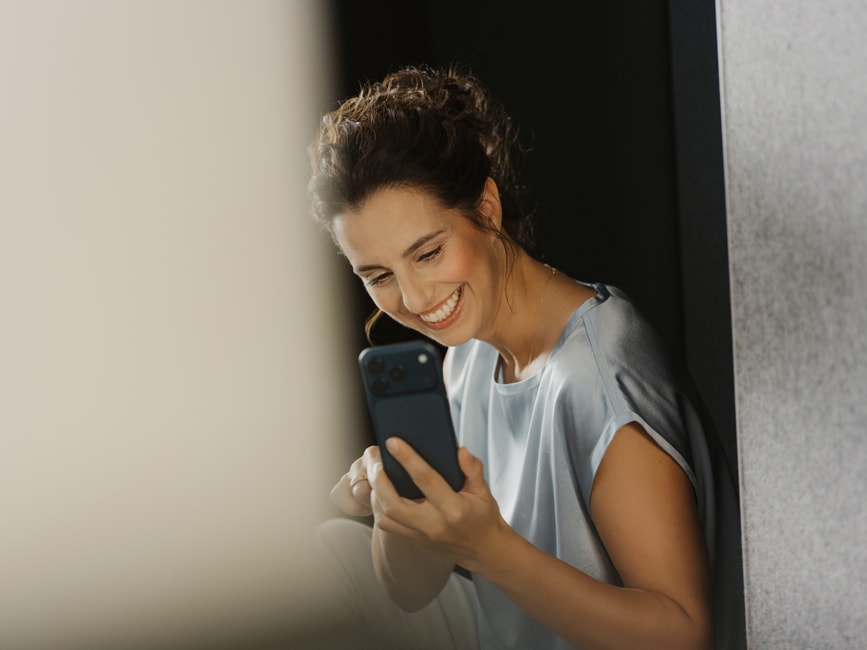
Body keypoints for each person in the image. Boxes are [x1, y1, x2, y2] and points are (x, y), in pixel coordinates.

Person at [307, 64, 744, 649]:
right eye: (379, 275)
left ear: (486, 209)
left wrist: (489, 551)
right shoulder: (467, 356)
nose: (412, 300)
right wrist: (405, 498)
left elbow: (680, 634)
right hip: (505, 632)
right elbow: (409, 590)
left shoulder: (597, 376)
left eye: (429, 253)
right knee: (326, 556)